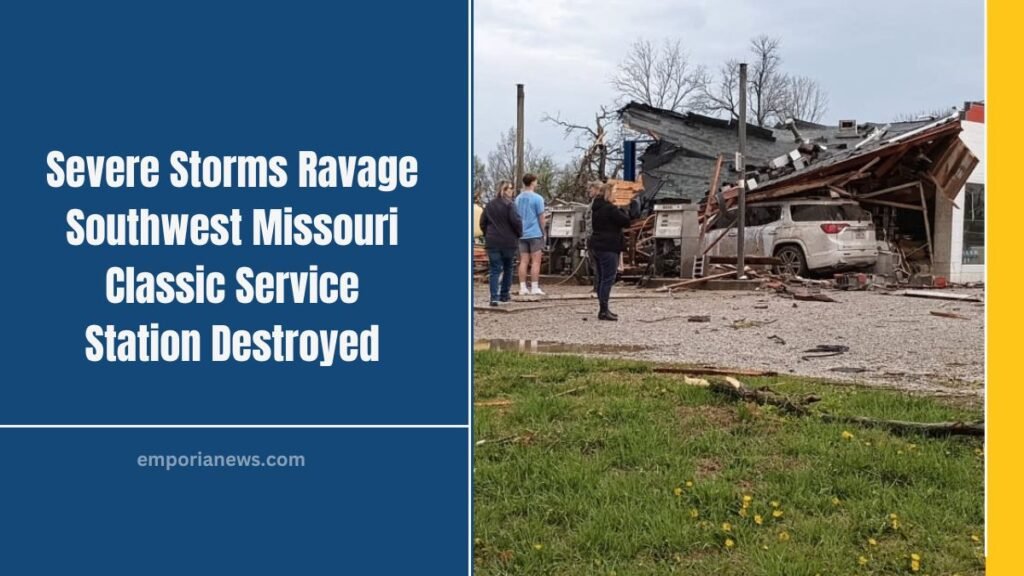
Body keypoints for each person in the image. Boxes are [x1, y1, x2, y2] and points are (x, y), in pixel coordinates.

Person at [589, 181, 631, 320]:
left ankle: (603, 307)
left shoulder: (596, 207)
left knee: (601, 278)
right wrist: (622, 208)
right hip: (609, 246)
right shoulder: (611, 209)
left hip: (596, 244)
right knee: (608, 278)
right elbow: (626, 221)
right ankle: (603, 310)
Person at [479, 181, 522, 306]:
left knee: (495, 269)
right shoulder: (510, 205)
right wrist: (519, 234)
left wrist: (488, 234)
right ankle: (504, 295)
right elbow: (516, 221)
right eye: (510, 189)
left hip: (492, 241)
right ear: (505, 190)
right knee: (508, 268)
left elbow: (483, 223)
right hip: (508, 241)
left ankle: (494, 297)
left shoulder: (489, 205)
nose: (512, 191)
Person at [514, 173, 546, 296]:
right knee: (536, 262)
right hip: (535, 233)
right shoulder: (538, 198)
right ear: (533, 182)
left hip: (522, 233)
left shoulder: (518, 198)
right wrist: (543, 232)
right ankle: (534, 286)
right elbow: (541, 217)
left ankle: (522, 287)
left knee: (523, 261)